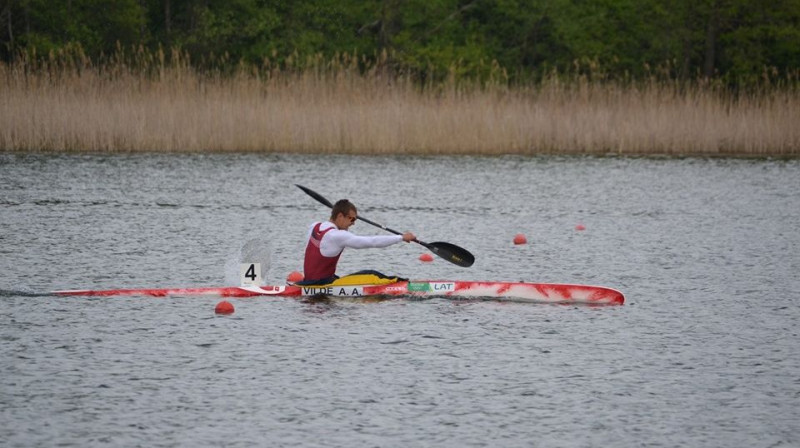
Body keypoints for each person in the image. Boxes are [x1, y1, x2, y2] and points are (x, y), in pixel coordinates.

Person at [299, 199, 415, 285]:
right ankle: (405, 285)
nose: (353, 223)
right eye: (352, 219)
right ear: (340, 216)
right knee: (372, 274)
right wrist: (401, 238)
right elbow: (372, 242)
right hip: (323, 284)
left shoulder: (314, 226)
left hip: (308, 282)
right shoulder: (338, 235)